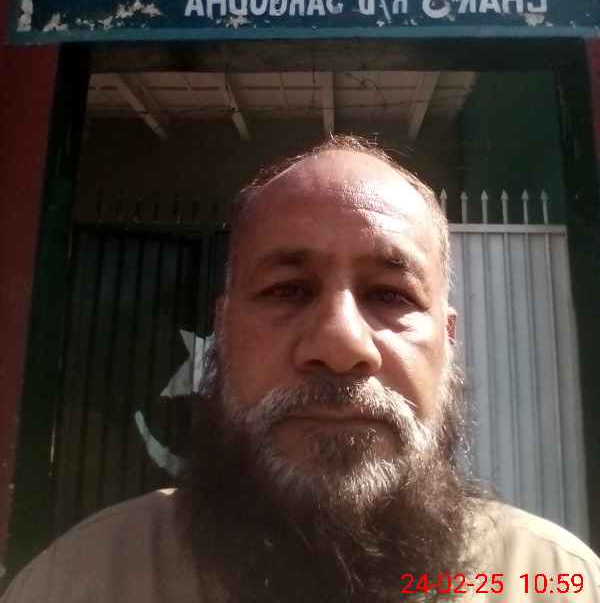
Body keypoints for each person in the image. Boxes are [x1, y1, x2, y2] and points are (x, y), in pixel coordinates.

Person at [2, 135, 599, 603]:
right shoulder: (76, 582)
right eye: (288, 289)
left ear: (448, 342)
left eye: (390, 295)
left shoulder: (559, 582)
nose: (340, 346)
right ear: (224, 330)